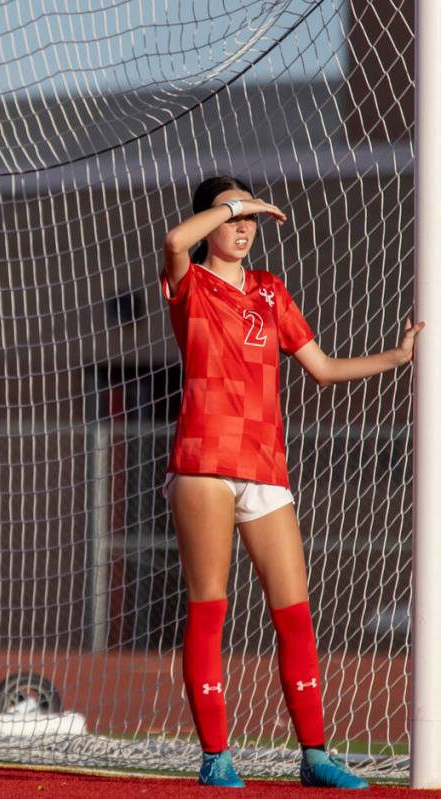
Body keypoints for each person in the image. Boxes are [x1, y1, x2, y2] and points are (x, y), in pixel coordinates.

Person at [161, 175, 422, 789]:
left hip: (265, 470)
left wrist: (397, 357)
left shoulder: (270, 292)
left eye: (251, 217)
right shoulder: (189, 285)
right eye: (232, 217)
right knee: (209, 611)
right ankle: (215, 756)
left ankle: (315, 755)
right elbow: (176, 239)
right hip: (203, 465)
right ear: (211, 223)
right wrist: (236, 202)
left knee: (294, 614)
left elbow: (324, 370)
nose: (245, 226)